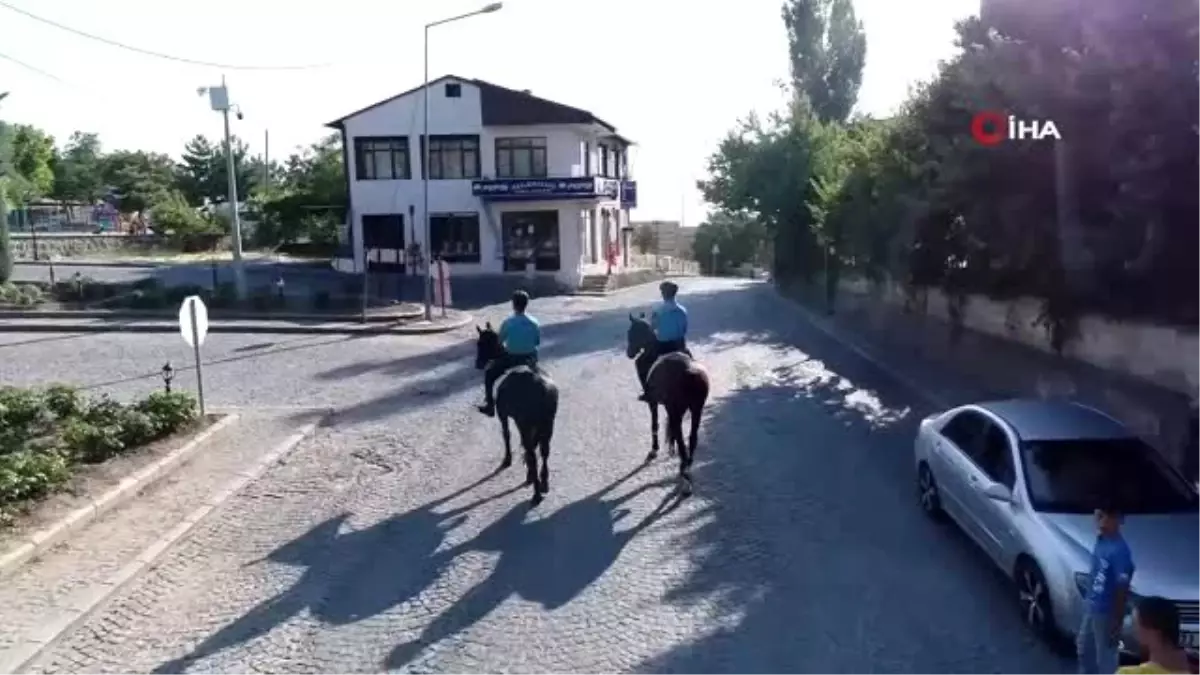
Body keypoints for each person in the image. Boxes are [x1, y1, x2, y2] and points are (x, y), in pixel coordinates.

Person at [1079, 501, 1137, 675]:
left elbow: (1122, 587)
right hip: (1092, 606)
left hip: (1106, 611)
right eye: (1100, 515)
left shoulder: (1120, 551)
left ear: (1119, 520)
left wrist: (1116, 620)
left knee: (1105, 657)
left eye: (1108, 517)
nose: (1102, 521)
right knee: (1083, 648)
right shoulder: (1101, 541)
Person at [478, 290, 541, 417]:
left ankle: (490, 406)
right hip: (530, 359)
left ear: (513, 304)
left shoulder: (508, 322)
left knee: (489, 374)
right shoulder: (535, 322)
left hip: (512, 358)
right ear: (526, 304)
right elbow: (536, 342)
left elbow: (499, 342)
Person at [637, 280, 693, 402]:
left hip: (663, 347)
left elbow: (652, 328)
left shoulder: (658, 310)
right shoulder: (683, 310)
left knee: (640, 362)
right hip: (679, 346)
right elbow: (684, 329)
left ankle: (647, 392)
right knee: (693, 364)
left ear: (663, 294)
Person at [1117, 596, 1196, 674]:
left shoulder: (1128, 673)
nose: (1134, 631)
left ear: (1152, 632)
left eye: (1135, 625)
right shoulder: (1193, 666)